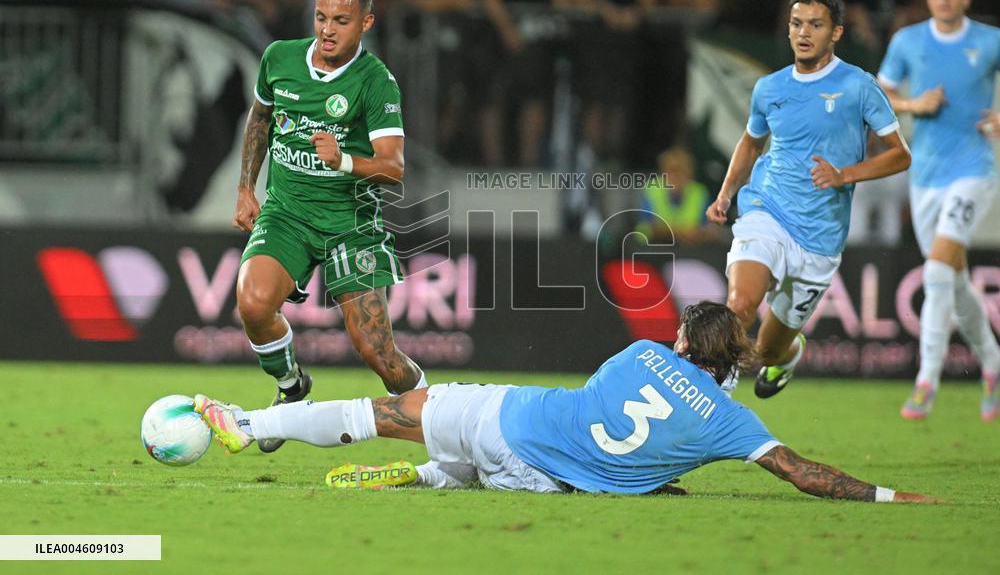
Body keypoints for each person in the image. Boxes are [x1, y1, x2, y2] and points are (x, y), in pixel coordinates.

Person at [194, 301, 933, 503]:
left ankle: (249, 422)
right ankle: (436, 476)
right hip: (545, 480)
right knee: (496, 472)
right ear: (729, 360)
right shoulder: (731, 422)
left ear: (679, 341)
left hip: (507, 416)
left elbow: (605, 398)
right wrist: (888, 495)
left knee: (383, 414)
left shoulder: (645, 353)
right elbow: (804, 474)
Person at [232, 0, 426, 453]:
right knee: (254, 303)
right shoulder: (279, 58)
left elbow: (394, 168)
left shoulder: (375, 82)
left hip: (350, 225)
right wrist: (245, 189)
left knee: (378, 354)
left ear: (366, 23)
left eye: (341, 20)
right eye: (321, 17)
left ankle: (443, 418)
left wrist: (342, 159)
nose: (328, 29)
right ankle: (292, 386)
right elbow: (260, 118)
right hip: (287, 214)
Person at [706, 0, 911, 399]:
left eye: (815, 25)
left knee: (767, 349)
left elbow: (900, 156)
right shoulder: (769, 88)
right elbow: (751, 142)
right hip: (767, 209)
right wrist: (726, 194)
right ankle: (714, 400)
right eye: (797, 24)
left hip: (819, 237)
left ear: (835, 33)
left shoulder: (858, 86)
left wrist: (845, 175)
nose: (804, 32)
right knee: (740, 304)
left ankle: (787, 355)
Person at [877, 0, 1000, 421]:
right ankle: (993, 364)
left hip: (974, 171)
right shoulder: (908, 41)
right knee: (953, 278)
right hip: (924, 174)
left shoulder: (988, 42)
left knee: (935, 272)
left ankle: (927, 379)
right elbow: (880, 93)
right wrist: (912, 103)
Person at [635, 146, 717, 244]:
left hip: (691, 251)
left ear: (690, 175)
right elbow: (644, 228)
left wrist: (700, 234)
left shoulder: (699, 193)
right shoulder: (652, 190)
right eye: (671, 172)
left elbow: (711, 230)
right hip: (658, 248)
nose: (676, 178)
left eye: (681, 173)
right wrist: (677, 232)